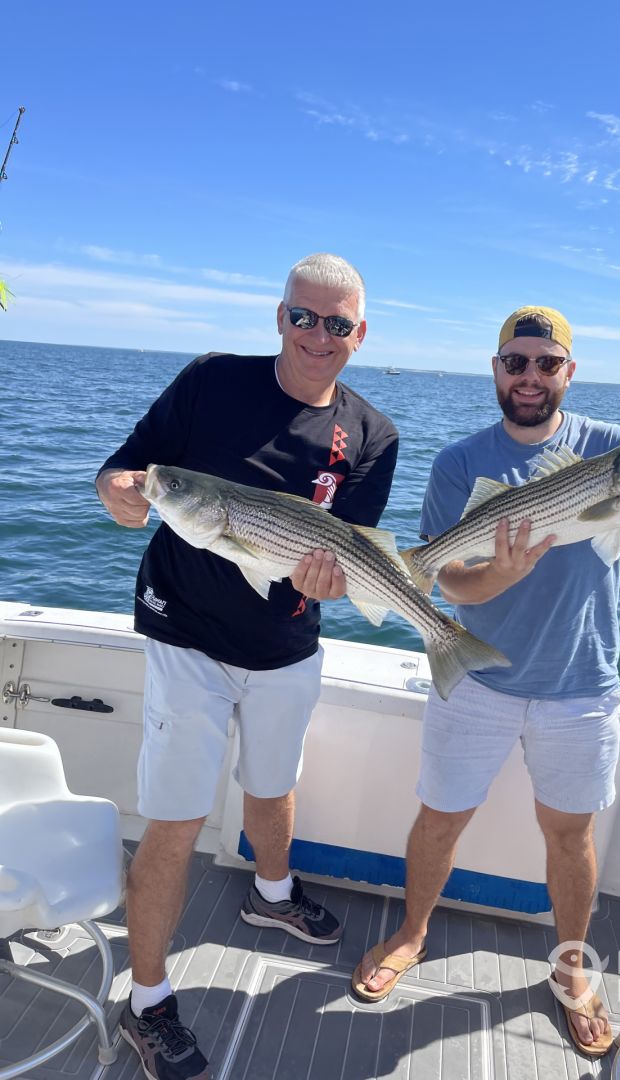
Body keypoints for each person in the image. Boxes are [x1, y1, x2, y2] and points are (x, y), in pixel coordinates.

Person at [352, 305, 620, 1057]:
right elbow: (450, 582)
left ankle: (572, 967)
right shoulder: (459, 461)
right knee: (439, 820)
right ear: (496, 369)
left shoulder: (613, 450)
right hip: (478, 681)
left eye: (546, 363)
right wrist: (498, 575)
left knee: (570, 835)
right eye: (516, 362)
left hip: (581, 683)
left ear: (569, 370)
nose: (530, 376)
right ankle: (410, 934)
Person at [97, 253, 398, 1080]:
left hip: (286, 645)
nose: (317, 334)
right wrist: (118, 490)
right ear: (279, 315)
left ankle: (272, 893)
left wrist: (334, 582)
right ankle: (147, 1001)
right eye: (303, 316)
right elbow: (128, 469)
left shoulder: (373, 435)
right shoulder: (212, 380)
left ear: (360, 334)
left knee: (273, 785)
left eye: (337, 323)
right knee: (177, 819)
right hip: (185, 636)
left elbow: (349, 551)